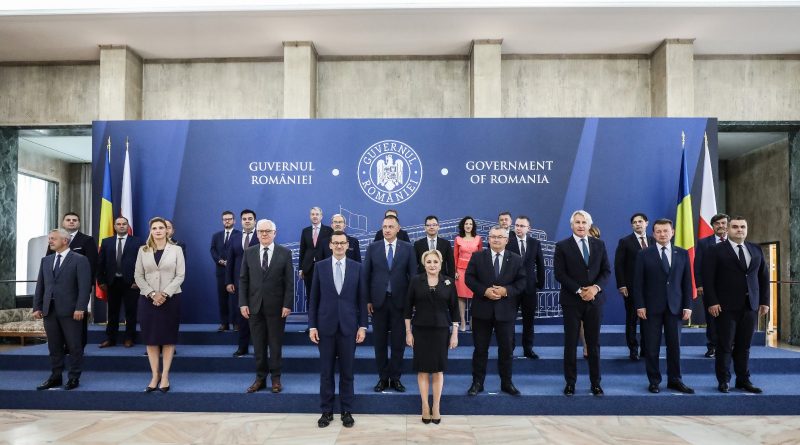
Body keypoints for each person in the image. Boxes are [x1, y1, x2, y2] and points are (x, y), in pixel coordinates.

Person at [308, 231, 368, 429]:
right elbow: (313, 299)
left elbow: (362, 299)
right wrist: (312, 326)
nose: (339, 246)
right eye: (336, 243)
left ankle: (346, 411)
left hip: (349, 327)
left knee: (347, 372)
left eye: (343, 243)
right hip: (325, 327)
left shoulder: (358, 267)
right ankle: (326, 411)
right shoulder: (320, 267)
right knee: (326, 372)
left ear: (348, 245)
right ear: (330, 245)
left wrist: (363, 326)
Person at [703, 216, 769, 394]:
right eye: (735, 227)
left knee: (744, 346)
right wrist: (712, 301)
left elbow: (763, 277)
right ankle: (724, 381)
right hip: (725, 307)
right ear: (728, 229)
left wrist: (764, 301)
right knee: (725, 345)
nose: (739, 230)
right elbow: (708, 279)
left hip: (750, 306)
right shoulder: (715, 250)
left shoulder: (755, 249)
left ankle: (743, 380)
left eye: (742, 227)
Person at [633, 218, 694, 394]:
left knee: (674, 347)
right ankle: (654, 381)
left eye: (666, 231)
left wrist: (688, 305)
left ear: (672, 232)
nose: (662, 234)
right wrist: (640, 305)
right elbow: (638, 283)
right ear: (653, 234)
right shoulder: (644, 254)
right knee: (652, 347)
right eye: (658, 231)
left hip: (675, 308)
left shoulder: (682, 253)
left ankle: (675, 380)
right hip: (651, 308)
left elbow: (687, 282)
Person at [554, 210, 611, 397]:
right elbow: (560, 274)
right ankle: (570, 383)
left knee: (593, 344)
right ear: (572, 225)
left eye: (584, 222)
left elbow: (606, 271)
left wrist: (595, 288)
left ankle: (596, 383)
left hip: (595, 300)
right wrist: (579, 291)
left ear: (589, 225)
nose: (580, 225)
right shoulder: (562, 246)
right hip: (572, 301)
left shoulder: (599, 244)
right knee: (570, 343)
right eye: (577, 222)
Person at [465, 225, 526, 396]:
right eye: (493, 236)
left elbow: (522, 282)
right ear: (488, 239)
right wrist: (484, 291)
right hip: (482, 311)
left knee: (506, 350)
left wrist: (506, 291)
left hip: (505, 312)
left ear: (506, 240)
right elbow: (469, 278)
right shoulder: (478, 257)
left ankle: (506, 383)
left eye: (500, 237)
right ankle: (477, 383)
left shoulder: (516, 259)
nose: (496, 240)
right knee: (480, 350)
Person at [239, 219, 294, 394]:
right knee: (258, 345)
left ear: (274, 233)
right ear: (257, 234)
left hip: (277, 308)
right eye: (261, 231)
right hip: (254, 307)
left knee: (275, 345)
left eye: (268, 231)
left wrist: (287, 304)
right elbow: (243, 280)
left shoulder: (284, 253)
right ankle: (260, 379)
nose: (264, 234)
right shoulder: (249, 252)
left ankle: (276, 378)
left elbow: (289, 282)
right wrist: (243, 303)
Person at [363, 214, 416, 393]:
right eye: (385, 226)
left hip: (400, 303)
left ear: (398, 229)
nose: (387, 230)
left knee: (398, 343)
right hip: (378, 302)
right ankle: (383, 378)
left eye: (391, 227)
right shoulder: (373, 248)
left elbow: (413, 277)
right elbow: (366, 276)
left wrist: (412, 302)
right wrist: (368, 300)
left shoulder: (408, 248)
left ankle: (396, 378)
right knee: (379, 343)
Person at [33, 229, 91, 391]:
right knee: (54, 346)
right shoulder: (46, 260)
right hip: (49, 311)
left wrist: (80, 307)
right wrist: (37, 306)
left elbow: (84, 287)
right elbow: (41, 285)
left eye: (53, 239)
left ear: (65, 241)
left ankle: (73, 377)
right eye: (49, 239)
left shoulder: (80, 260)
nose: (50, 241)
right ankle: (56, 376)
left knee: (74, 346)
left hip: (71, 311)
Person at [405, 250, 459, 424]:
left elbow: (455, 310)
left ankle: (436, 406)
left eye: (435, 261)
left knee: (437, 370)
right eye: (428, 262)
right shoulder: (415, 281)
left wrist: (455, 334)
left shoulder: (448, 282)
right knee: (422, 370)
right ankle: (424, 406)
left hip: (441, 331)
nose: (432, 265)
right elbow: (407, 309)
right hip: (420, 330)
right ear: (424, 264)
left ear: (441, 264)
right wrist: (408, 332)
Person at [134, 217, 186, 393]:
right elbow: (138, 275)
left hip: (170, 299)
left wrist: (164, 294)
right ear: (151, 231)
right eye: (154, 228)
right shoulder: (143, 250)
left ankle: (165, 376)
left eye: (161, 228)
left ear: (167, 230)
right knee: (151, 339)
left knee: (168, 338)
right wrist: (151, 293)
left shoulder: (177, 249)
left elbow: (180, 275)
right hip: (147, 300)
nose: (157, 231)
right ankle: (154, 375)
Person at [46, 212, 97, 350]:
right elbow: (48, 263)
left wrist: (88, 285)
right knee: (58, 319)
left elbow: (92, 264)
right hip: (57, 289)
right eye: (68, 220)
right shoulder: (54, 241)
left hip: (79, 287)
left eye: (75, 220)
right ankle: (62, 346)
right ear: (63, 223)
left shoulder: (87, 240)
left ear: (79, 223)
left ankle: (78, 347)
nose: (71, 222)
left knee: (78, 318)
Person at [97, 217, 144, 348]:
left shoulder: (138, 241)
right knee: (112, 312)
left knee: (131, 312)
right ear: (114, 226)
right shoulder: (106, 242)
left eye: (124, 224)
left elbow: (143, 263)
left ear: (128, 226)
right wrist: (101, 281)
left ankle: (129, 338)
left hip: (132, 283)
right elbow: (100, 263)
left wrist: (138, 281)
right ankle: (111, 338)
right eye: (119, 224)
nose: (121, 226)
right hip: (112, 282)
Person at [614, 212, 655, 361]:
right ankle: (633, 349)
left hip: (651, 289)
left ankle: (645, 349)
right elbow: (619, 265)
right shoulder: (625, 242)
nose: (637, 224)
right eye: (634, 222)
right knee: (631, 319)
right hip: (631, 288)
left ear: (646, 223)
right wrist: (621, 284)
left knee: (648, 321)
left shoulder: (653, 240)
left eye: (640, 221)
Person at [505, 215, 545, 359]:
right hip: (511, 288)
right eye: (516, 225)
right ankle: (509, 349)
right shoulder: (507, 242)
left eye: (522, 226)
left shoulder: (535, 243)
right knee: (509, 320)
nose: (518, 228)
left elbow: (540, 264)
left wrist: (540, 283)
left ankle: (528, 349)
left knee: (529, 321)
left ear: (529, 228)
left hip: (529, 288)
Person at [694, 213, 730, 358]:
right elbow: (697, 265)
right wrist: (699, 284)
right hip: (710, 288)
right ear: (712, 226)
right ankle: (712, 347)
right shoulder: (704, 243)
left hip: (731, 289)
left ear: (728, 225)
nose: (720, 226)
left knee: (730, 319)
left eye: (723, 223)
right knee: (712, 319)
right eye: (717, 224)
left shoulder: (734, 241)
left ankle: (728, 346)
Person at [226, 209, 259, 357]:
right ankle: (242, 347)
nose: (247, 221)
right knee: (241, 317)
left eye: (250, 218)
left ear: (255, 221)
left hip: (258, 283)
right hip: (239, 283)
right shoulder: (235, 238)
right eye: (244, 219)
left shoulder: (261, 235)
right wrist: (229, 281)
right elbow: (230, 261)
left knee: (258, 317)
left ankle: (259, 348)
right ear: (241, 221)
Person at [210, 210, 239, 331]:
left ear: (234, 221)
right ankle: (224, 323)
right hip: (221, 271)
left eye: (229, 219)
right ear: (222, 221)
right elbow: (212, 250)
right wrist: (220, 261)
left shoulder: (239, 235)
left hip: (235, 271)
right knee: (222, 299)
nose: (227, 221)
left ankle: (236, 323)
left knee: (236, 299)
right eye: (225, 219)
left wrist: (231, 263)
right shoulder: (216, 236)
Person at [453, 216, 483, 332]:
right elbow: (455, 256)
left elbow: (481, 257)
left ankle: (472, 320)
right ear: (463, 225)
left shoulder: (478, 239)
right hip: (460, 271)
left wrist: (480, 273)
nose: (468, 226)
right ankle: (462, 321)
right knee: (460, 297)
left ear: (473, 226)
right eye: (466, 224)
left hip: (475, 272)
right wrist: (455, 271)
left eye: (470, 224)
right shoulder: (458, 239)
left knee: (474, 297)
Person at [299, 207, 333, 300]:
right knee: (310, 295)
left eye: (317, 214)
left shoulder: (329, 230)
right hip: (308, 268)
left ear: (321, 216)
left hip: (323, 266)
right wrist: (301, 268)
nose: (315, 216)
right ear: (310, 216)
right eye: (312, 214)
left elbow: (330, 250)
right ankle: (311, 310)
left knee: (323, 294)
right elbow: (302, 250)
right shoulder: (305, 231)